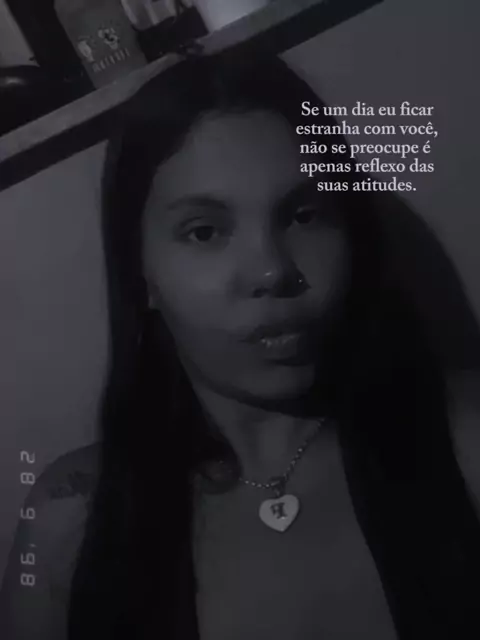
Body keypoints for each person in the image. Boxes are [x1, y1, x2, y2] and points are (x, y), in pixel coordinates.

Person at [2, 49, 480, 640]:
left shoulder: (463, 441)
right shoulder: (68, 521)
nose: (272, 270)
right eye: (205, 230)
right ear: (140, 271)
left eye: (303, 215)